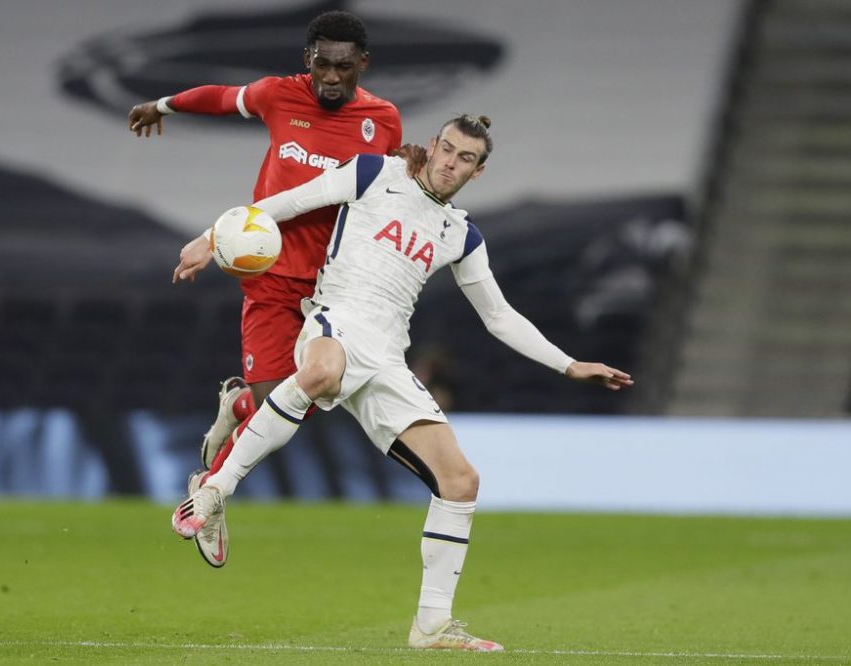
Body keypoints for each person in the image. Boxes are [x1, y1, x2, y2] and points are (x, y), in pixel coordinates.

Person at [173, 114, 634, 651]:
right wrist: (210, 237)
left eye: (466, 159)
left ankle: (432, 626)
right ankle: (212, 492)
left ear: (478, 172)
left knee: (461, 482)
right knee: (319, 374)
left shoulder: (462, 234)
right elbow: (287, 204)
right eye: (448, 149)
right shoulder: (373, 173)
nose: (450, 163)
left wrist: (569, 364)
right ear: (434, 145)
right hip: (334, 319)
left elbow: (499, 316)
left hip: (388, 358)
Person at [129, 10, 419, 568]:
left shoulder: (383, 119)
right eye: (322, 66)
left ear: (362, 64)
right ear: (306, 61)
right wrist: (162, 105)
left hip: (338, 284)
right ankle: (228, 447)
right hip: (270, 275)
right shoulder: (278, 96)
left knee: (307, 399)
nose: (331, 78)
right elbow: (219, 97)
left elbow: (379, 191)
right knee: (277, 405)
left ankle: (214, 468)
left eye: (343, 67)